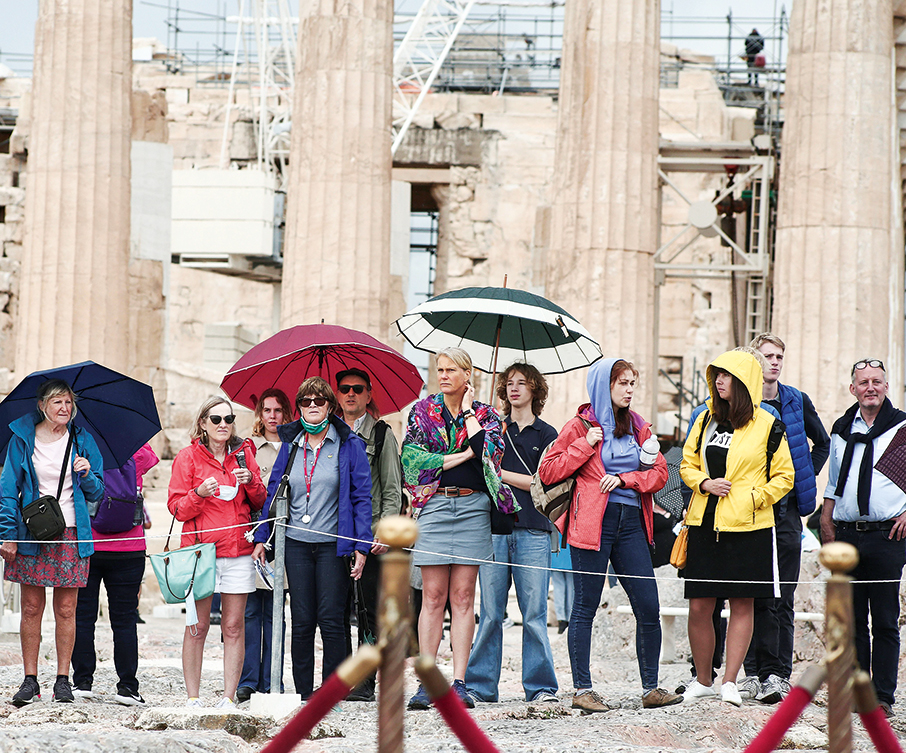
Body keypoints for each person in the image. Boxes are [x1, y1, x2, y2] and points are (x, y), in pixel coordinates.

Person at [539, 358, 681, 713]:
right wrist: (585, 444)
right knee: (585, 606)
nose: (630, 390)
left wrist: (626, 479)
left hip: (632, 520)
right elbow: (549, 471)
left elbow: (661, 474)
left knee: (648, 604)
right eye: (622, 383)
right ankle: (582, 690)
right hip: (592, 524)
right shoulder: (579, 425)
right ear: (605, 385)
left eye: (633, 383)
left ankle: (651, 688)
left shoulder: (639, 427)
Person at [402, 347, 517, 711]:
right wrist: (463, 454)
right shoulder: (422, 411)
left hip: (472, 506)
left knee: (464, 597)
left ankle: (460, 682)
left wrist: (468, 416)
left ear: (468, 375)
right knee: (433, 597)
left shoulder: (485, 414)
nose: (444, 375)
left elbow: (489, 456)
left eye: (452, 369)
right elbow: (413, 462)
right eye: (440, 369)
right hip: (435, 505)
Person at [680, 350, 794, 706]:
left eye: (726, 375)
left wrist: (753, 498)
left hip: (749, 528)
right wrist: (703, 483)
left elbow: (785, 476)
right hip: (705, 524)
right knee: (699, 605)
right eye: (716, 375)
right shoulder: (705, 420)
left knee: (741, 604)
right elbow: (685, 464)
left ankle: (730, 681)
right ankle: (702, 680)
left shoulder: (768, 424)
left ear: (743, 382)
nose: (718, 381)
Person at [252, 377, 373, 699]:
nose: (313, 406)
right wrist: (262, 537)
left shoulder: (350, 445)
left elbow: (362, 499)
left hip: (333, 543)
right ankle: (304, 692)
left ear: (330, 406)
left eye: (319, 401)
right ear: (300, 407)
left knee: (332, 619)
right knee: (302, 620)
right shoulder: (291, 445)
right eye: (306, 401)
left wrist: (362, 546)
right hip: (296, 543)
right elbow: (274, 492)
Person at [0, 379, 105, 706]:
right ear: (42, 405)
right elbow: (7, 489)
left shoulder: (83, 440)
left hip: (72, 532)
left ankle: (63, 679)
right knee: (31, 607)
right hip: (32, 533)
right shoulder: (22, 439)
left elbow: (99, 493)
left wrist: (87, 474)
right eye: (57, 402)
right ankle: (30, 679)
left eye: (69, 403)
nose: (64, 408)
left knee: (67, 608)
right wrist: (7, 533)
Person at [739, 333, 829, 704]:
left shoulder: (796, 399)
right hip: (750, 507)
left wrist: (803, 475)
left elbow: (821, 442)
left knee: (784, 595)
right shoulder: (743, 401)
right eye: (767, 356)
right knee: (749, 594)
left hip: (787, 509)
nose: (774, 362)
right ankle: (751, 673)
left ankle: (777, 673)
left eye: (779, 356)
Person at [465, 362, 559, 703]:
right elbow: (476, 465)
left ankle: (541, 687)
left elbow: (542, 482)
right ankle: (479, 685)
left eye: (522, 383)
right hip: (494, 528)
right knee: (490, 612)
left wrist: (499, 473)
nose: (514, 388)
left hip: (533, 529)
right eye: (508, 383)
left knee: (534, 614)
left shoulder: (548, 434)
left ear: (535, 389)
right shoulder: (493, 430)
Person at [820, 358, 906, 718]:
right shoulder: (841, 429)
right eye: (863, 382)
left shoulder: (901, 427)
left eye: (877, 381)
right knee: (852, 618)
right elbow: (835, 480)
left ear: (886, 387)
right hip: (848, 534)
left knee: (885, 618)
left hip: (888, 533)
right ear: (852, 389)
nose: (870, 387)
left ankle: (882, 695)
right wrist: (825, 516)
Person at [167, 396, 266, 708]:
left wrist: (250, 482)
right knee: (197, 626)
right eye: (216, 419)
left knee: (234, 627)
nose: (223, 425)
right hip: (201, 552)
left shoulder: (244, 453)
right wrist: (198, 494)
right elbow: (177, 508)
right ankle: (193, 698)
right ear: (203, 424)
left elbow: (261, 501)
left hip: (238, 549)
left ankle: (227, 698)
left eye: (229, 419)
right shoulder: (187, 457)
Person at [72, 443, 159, 706]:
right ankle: (128, 687)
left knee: (83, 616)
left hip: (88, 544)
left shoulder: (80, 449)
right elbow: (151, 458)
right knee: (125, 620)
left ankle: (82, 681)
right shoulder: (134, 448)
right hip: (130, 546)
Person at [335, 367, 401, 702]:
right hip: (331, 533)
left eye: (357, 389)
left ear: (368, 394)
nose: (350, 394)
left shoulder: (381, 434)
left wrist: (383, 530)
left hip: (369, 535)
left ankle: (364, 681)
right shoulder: (325, 431)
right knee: (333, 610)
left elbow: (392, 487)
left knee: (367, 611)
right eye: (344, 388)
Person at [237, 388, 292, 704]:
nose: (272, 416)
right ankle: (248, 679)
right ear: (259, 414)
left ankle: (273, 679)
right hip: (250, 532)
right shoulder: (248, 449)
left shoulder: (293, 446)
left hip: (281, 534)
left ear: (286, 413)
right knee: (249, 611)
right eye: (267, 410)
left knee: (275, 610)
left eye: (278, 410)